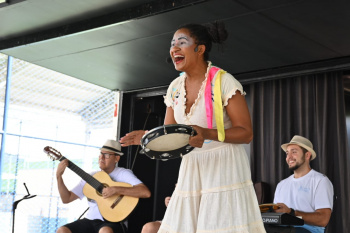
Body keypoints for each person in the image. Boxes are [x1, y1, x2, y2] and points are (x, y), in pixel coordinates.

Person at [120, 21, 265, 232]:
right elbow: (169, 135)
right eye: (172, 44)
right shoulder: (174, 88)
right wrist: (149, 136)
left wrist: (207, 133)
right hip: (192, 167)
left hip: (224, 165)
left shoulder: (224, 81)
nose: (174, 48)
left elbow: (246, 133)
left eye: (182, 42)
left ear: (200, 49)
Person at [55, 139, 151, 233]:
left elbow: (145, 192)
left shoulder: (123, 173)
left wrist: (116, 189)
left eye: (107, 155)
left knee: (105, 231)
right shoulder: (91, 176)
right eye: (101, 154)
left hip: (115, 221)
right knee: (62, 230)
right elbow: (66, 199)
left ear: (116, 158)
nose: (102, 157)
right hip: (90, 220)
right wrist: (59, 177)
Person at [273, 135, 334, 233]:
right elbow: (276, 217)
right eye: (287, 153)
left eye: (294, 152)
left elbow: (323, 220)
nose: (289, 157)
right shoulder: (281, 185)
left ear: (307, 155)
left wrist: (291, 213)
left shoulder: (320, 181)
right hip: (282, 230)